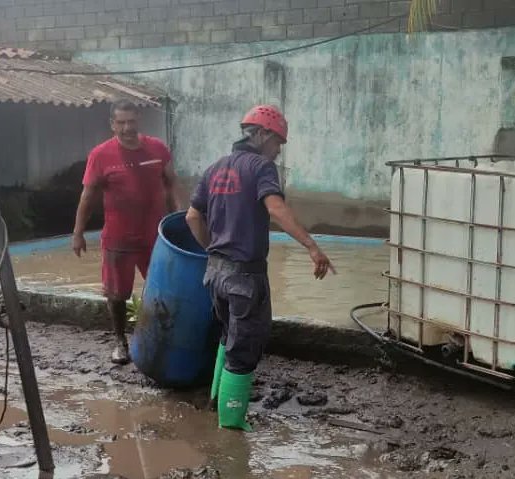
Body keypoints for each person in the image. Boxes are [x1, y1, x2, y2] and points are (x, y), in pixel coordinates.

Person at [185, 105, 335, 432]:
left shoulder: (214, 168)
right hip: (245, 277)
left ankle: (216, 402)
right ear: (263, 134)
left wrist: (211, 249)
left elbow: (192, 217)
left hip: (215, 273)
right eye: (278, 142)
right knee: (244, 350)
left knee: (228, 337)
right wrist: (312, 246)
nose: (279, 151)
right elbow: (276, 208)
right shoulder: (261, 167)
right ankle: (232, 426)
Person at [72, 99, 180, 365]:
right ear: (112, 124)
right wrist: (78, 232)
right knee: (117, 295)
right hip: (118, 239)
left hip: (155, 238)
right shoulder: (100, 155)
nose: (126, 128)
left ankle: (158, 338)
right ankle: (120, 341)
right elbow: (88, 196)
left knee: (164, 290)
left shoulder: (157, 149)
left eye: (131, 121)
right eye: (120, 122)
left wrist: (181, 218)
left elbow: (172, 184)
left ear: (138, 120)